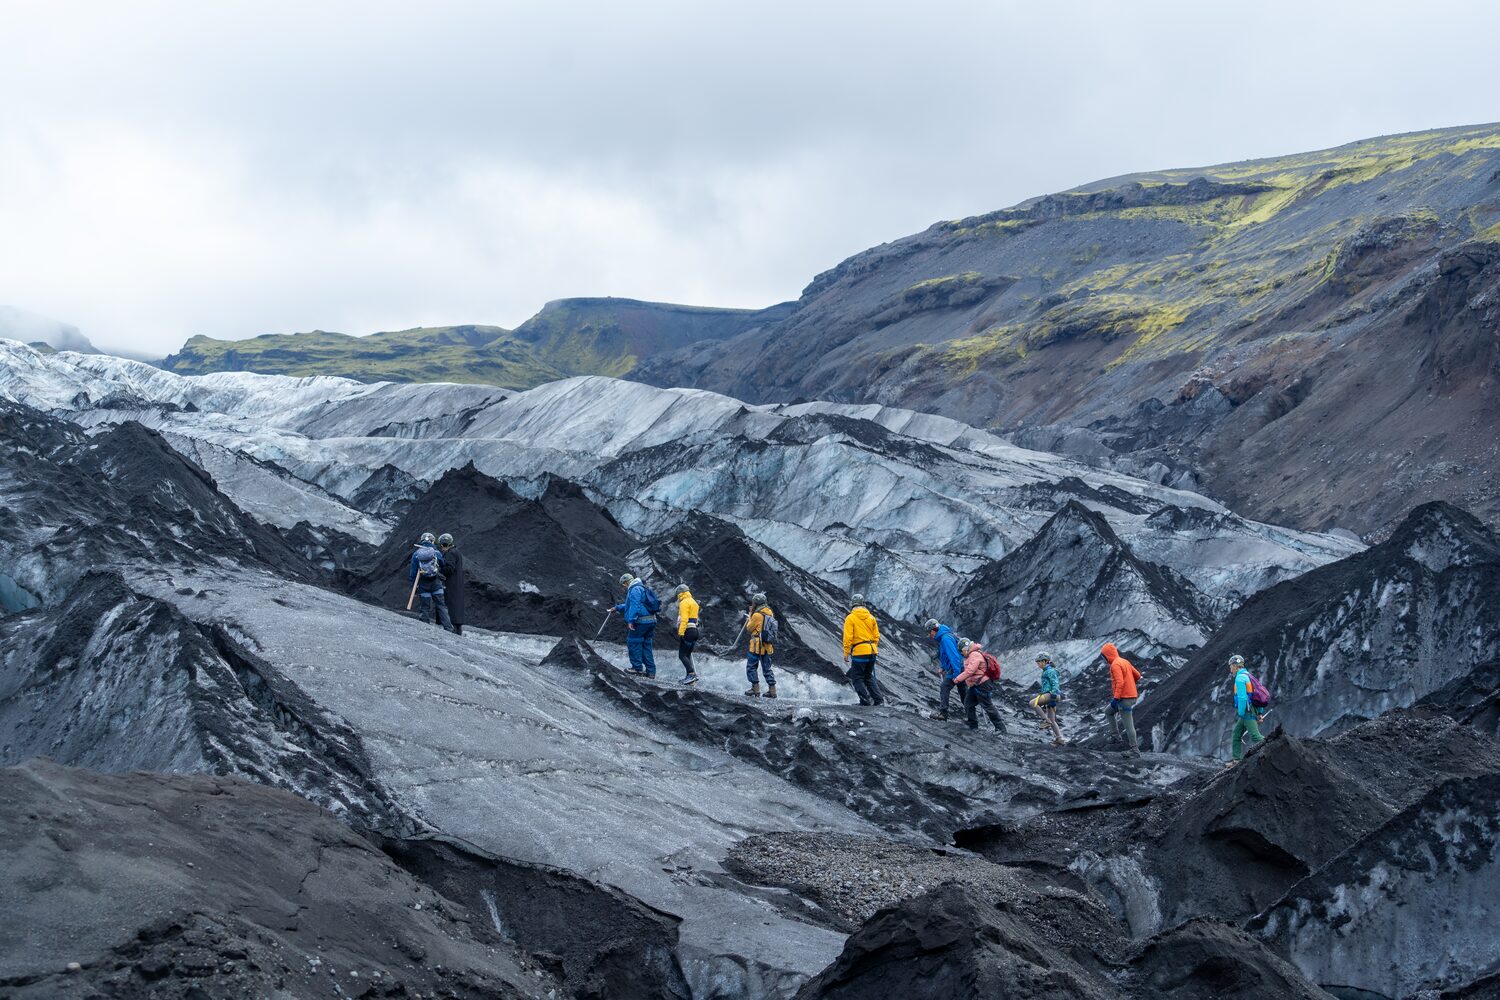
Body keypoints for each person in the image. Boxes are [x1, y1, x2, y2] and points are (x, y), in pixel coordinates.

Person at [956, 638, 1005, 732]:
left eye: (961, 651)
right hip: (976, 685)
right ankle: (973, 725)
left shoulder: (974, 654)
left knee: (987, 706)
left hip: (982, 684)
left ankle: (1001, 728)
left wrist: (957, 679)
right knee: (968, 703)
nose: (961, 653)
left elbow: (970, 670)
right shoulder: (972, 654)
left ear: (965, 648)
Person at [843, 595, 884, 706]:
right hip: (872, 651)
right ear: (863, 604)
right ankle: (879, 700)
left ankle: (864, 701)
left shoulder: (850, 618)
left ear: (853, 605)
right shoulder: (871, 617)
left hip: (860, 652)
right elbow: (876, 636)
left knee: (857, 677)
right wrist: (872, 647)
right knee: (868, 676)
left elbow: (848, 637)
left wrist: (846, 652)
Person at [614, 573, 658, 678]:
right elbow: (632, 605)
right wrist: (617, 608)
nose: (624, 587)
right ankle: (651, 671)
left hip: (641, 622)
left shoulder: (634, 589)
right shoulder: (642, 588)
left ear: (627, 582)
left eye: (624, 585)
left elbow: (635, 605)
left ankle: (637, 668)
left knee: (633, 642)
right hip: (651, 621)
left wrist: (631, 620)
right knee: (646, 645)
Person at [1101, 642, 1141, 757]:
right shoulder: (1124, 661)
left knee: (1128, 724)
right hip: (1131, 696)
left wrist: (1116, 698)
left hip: (1124, 699)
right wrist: (1130, 686)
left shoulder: (1115, 665)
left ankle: (1134, 750)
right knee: (1108, 711)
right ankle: (1116, 736)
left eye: (1104, 657)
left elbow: (1120, 682)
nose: (1104, 660)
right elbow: (1137, 675)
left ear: (1108, 655)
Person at [409, 532, 453, 631]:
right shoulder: (436, 553)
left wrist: (414, 588)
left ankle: (425, 629)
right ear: (433, 541)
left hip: (423, 585)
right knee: (441, 606)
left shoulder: (416, 554)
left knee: (424, 608)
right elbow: (442, 565)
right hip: (436, 584)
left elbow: (413, 573)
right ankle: (449, 628)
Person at [1228, 654, 1266, 765]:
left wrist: (1241, 712)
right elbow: (1258, 694)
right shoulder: (1248, 676)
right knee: (1236, 734)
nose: (1230, 669)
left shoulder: (1240, 678)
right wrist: (1259, 712)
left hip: (1247, 712)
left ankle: (1274, 748)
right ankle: (1236, 760)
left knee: (1255, 736)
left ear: (1235, 666)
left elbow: (1242, 697)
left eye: (1231, 666)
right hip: (1252, 710)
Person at [925, 618, 964, 720]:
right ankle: (972, 719)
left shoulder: (945, 639)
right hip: (960, 667)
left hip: (957, 668)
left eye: (929, 633)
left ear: (933, 630)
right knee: (964, 693)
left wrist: (956, 674)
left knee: (944, 687)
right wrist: (943, 667)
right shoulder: (944, 636)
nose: (930, 635)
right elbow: (946, 655)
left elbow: (954, 656)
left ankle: (943, 714)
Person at [745, 592, 777, 698]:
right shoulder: (769, 613)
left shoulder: (757, 615)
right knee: (767, 668)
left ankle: (755, 689)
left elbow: (749, 628)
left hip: (756, 645)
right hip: (767, 645)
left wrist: (750, 616)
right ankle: (772, 691)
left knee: (751, 666)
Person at [1030, 652, 1064, 745]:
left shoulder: (1050, 671)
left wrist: (1053, 693)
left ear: (1045, 661)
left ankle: (1046, 721)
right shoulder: (1047, 670)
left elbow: (1055, 683)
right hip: (1052, 695)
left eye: (1039, 662)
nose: (1038, 664)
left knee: (1032, 703)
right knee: (1053, 720)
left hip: (1051, 694)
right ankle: (1059, 739)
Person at [437, 533, 466, 636]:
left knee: (451, 607)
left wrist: (439, 568)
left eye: (442, 545)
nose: (441, 548)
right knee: (456, 608)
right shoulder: (456, 552)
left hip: (451, 585)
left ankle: (452, 631)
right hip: (457, 585)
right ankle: (458, 632)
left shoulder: (451, 553)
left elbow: (449, 569)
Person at [674, 584, 700, 686]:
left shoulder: (684, 602)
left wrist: (681, 632)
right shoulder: (694, 602)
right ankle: (689, 679)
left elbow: (684, 619)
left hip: (687, 631)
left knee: (682, 655)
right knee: (687, 654)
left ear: (680, 593)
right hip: (695, 630)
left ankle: (691, 674)